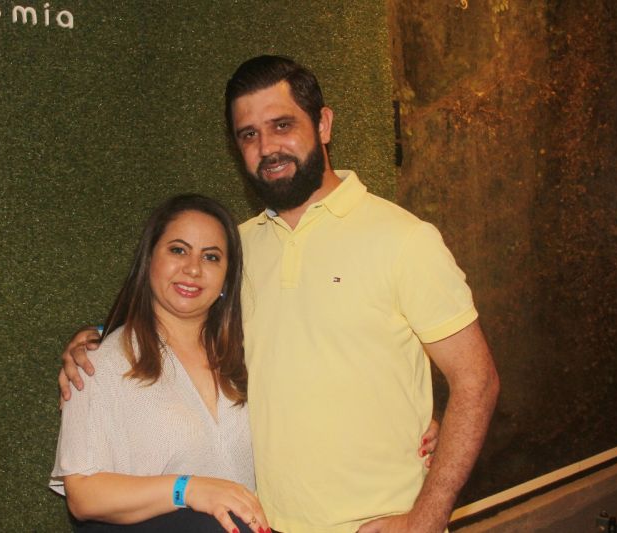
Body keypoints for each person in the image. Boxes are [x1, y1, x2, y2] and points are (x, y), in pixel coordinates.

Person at [60, 56, 499, 533]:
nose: (267, 147)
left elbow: (476, 380)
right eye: (249, 134)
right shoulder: (236, 249)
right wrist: (99, 338)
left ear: (324, 124)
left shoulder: (405, 240)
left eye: (282, 125)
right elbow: (184, 315)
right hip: (270, 525)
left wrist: (426, 518)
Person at [50, 194, 272, 533]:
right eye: (178, 250)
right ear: (149, 258)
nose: (193, 268)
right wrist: (187, 489)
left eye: (211, 256)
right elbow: (83, 494)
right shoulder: (99, 364)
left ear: (227, 278)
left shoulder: (250, 355)